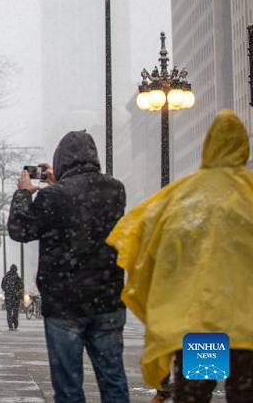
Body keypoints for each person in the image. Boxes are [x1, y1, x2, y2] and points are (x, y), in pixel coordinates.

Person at [107, 109, 253, 403]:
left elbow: (147, 240)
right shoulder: (249, 194)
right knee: (244, 392)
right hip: (247, 319)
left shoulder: (183, 197)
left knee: (196, 393)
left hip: (201, 320)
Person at [7, 130, 129, 403]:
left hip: (65, 304)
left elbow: (21, 229)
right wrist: (60, 183)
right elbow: (83, 207)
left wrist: (23, 193)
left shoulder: (53, 197)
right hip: (107, 300)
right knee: (113, 379)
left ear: (60, 160)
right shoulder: (115, 189)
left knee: (68, 385)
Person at [1, 264, 23, 331]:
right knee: (15, 311)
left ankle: (10, 324)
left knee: (9, 311)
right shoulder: (18, 278)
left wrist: (7, 291)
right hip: (16, 297)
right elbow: (21, 287)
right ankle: (15, 323)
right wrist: (17, 292)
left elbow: (3, 286)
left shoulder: (6, 277)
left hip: (9, 297)